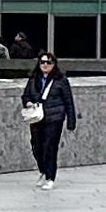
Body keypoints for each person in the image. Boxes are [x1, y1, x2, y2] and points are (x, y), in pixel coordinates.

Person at [21, 53, 77, 186]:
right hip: (37, 117)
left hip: (54, 118)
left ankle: (50, 176)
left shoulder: (61, 80)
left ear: (54, 64)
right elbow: (26, 96)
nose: (45, 65)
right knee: (36, 146)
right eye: (43, 62)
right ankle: (43, 170)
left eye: (48, 62)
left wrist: (71, 122)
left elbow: (69, 101)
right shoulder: (34, 79)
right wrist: (28, 102)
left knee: (50, 147)